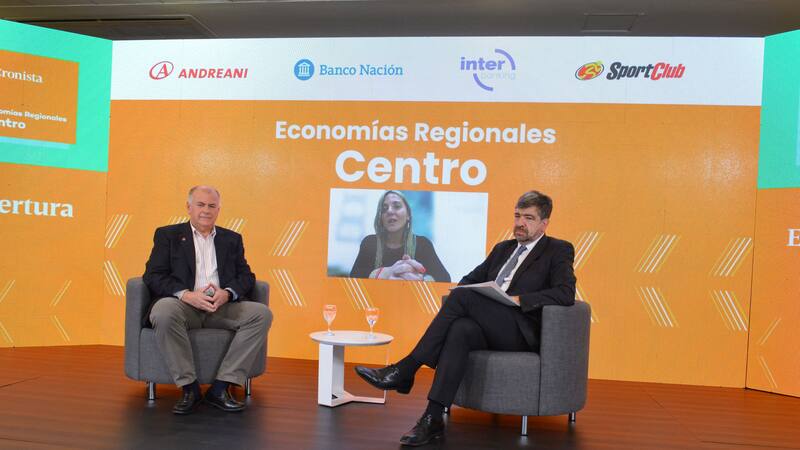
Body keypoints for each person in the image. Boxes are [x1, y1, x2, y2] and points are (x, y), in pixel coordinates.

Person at [354, 190, 576, 446]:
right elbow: (470, 279)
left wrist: (519, 300)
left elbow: (565, 292)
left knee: (461, 299)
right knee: (460, 327)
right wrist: (478, 292)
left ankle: (406, 369)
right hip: (489, 324)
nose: (520, 223)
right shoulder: (503, 248)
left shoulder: (558, 250)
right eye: (517, 216)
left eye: (528, 218)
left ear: (544, 223)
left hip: (520, 329)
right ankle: (432, 419)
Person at [142, 185, 272, 415]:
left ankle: (221, 388)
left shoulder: (231, 239)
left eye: (212, 206)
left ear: (218, 210)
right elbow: (153, 275)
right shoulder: (167, 235)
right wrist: (187, 295)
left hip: (221, 308)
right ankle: (189, 388)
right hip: (184, 306)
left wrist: (228, 293)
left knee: (261, 314)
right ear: (189, 207)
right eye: (200, 205)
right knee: (163, 311)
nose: (206, 210)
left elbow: (246, 276)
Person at [350, 190, 450, 282]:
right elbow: (353, 279)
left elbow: (445, 279)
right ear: (380, 218)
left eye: (397, 206)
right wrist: (384, 273)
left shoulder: (423, 244)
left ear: (408, 215)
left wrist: (420, 279)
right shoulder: (369, 242)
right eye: (384, 208)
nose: (389, 211)